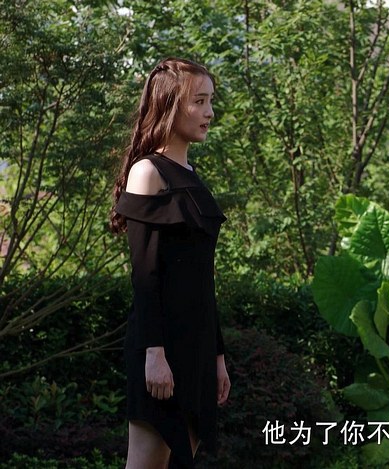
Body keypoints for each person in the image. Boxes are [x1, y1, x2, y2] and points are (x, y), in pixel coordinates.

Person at [109, 57, 231, 468]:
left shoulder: (191, 173)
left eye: (210, 100)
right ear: (169, 105)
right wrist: (154, 353)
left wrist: (217, 356)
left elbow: (202, 279)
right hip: (159, 348)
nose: (210, 112)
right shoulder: (148, 172)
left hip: (197, 347)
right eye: (199, 101)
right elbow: (145, 277)